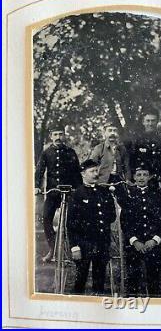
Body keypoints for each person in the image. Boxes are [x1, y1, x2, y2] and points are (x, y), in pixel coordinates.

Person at [115, 163, 161, 297]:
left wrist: (155, 240)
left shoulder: (159, 195)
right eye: (138, 175)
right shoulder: (128, 197)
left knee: (154, 280)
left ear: (150, 177)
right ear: (134, 178)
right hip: (134, 246)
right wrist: (134, 241)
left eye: (145, 174)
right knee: (133, 281)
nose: (141, 178)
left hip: (153, 245)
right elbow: (125, 221)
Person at [67, 159, 116, 295]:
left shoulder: (104, 192)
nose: (96, 174)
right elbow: (70, 224)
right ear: (83, 174)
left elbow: (112, 217)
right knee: (80, 280)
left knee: (99, 281)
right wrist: (75, 247)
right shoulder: (77, 194)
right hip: (84, 244)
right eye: (92, 171)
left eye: (96, 171)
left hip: (102, 243)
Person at [35, 124, 82, 262]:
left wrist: (79, 190)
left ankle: (73, 249)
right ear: (51, 136)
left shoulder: (70, 152)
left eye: (60, 134)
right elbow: (39, 171)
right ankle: (53, 248)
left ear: (64, 136)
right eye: (55, 135)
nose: (58, 137)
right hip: (53, 192)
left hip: (69, 192)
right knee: (46, 218)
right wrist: (37, 186)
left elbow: (77, 174)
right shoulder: (46, 153)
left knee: (72, 220)